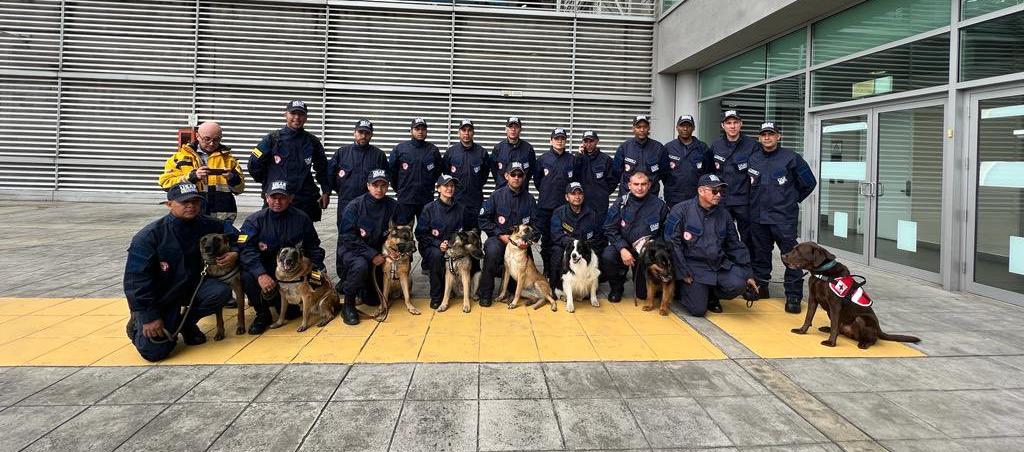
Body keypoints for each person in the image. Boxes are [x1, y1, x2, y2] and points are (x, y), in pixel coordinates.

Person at [124, 182, 238, 361]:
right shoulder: (149, 236)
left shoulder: (207, 224)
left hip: (193, 287)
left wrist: (235, 252)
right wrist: (148, 316)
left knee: (221, 292)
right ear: (169, 204)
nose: (191, 206)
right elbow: (136, 281)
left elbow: (240, 236)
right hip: (162, 296)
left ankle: (186, 323)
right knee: (154, 353)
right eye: (184, 202)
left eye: (195, 201)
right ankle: (137, 324)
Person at [238, 180, 327, 334]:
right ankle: (262, 314)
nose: (277, 202)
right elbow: (245, 249)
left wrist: (318, 270)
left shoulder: (302, 218)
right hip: (266, 268)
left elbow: (313, 246)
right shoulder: (254, 220)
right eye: (274, 197)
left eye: (282, 197)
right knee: (247, 275)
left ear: (291, 198)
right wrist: (260, 274)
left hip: (294, 271)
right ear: (266, 197)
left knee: (293, 313)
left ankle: (278, 304)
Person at [747, 122, 817, 313]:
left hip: (783, 218)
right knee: (760, 255)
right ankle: (761, 288)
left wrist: (792, 200)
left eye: (771, 134)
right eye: (764, 135)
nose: (767, 138)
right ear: (759, 138)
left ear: (779, 136)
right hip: (758, 217)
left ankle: (793, 296)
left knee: (792, 257)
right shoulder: (753, 159)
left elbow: (809, 183)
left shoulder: (792, 158)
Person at [665, 174, 759, 317]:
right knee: (698, 311)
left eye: (721, 191)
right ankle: (685, 290)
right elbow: (673, 244)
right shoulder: (681, 210)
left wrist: (748, 273)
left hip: (718, 265)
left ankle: (710, 294)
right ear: (701, 191)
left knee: (739, 284)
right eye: (715, 191)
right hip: (694, 268)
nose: (719, 195)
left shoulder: (724, 215)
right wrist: (682, 273)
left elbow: (735, 245)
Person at [249, 100, 331, 222]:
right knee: (272, 235)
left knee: (303, 238)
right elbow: (254, 164)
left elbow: (323, 169)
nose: (297, 117)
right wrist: (269, 181)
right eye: (293, 113)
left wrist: (326, 191)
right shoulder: (272, 139)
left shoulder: (312, 142)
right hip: (277, 198)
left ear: (306, 117)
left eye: (301, 114)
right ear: (285, 115)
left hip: (303, 200)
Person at [337, 169, 399, 325]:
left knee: (372, 300)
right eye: (375, 185)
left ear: (387, 187)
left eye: (383, 185)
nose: (379, 189)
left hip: (379, 254)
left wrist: (393, 251)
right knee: (361, 266)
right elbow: (347, 236)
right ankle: (348, 305)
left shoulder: (393, 206)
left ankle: (363, 289)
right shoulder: (355, 206)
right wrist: (371, 255)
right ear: (368, 186)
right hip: (353, 251)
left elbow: (397, 233)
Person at [601, 171, 669, 302]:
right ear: (629, 185)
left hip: (646, 251)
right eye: (636, 184)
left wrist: (652, 246)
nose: (640, 188)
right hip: (624, 246)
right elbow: (609, 228)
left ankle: (647, 284)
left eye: (643, 184)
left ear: (649, 185)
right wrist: (622, 249)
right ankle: (617, 287)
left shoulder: (659, 206)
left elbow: (665, 233)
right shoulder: (621, 203)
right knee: (608, 256)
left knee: (642, 295)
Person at [158, 121, 245, 223]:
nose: (212, 143)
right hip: (190, 217)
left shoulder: (230, 160)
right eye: (207, 139)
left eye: (216, 140)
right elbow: (166, 184)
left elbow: (240, 189)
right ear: (197, 136)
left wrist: (232, 178)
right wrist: (192, 177)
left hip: (221, 219)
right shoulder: (179, 158)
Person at [476, 162, 536, 307]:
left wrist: (528, 242)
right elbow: (483, 219)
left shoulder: (529, 199)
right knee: (492, 251)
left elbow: (536, 226)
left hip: (521, 243)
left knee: (527, 266)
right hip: (500, 238)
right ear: (506, 176)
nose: (516, 178)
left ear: (523, 178)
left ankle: (510, 291)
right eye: (513, 175)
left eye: (520, 175)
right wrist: (500, 234)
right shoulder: (496, 196)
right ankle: (485, 294)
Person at [708, 109, 758, 253]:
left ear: (741, 124)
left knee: (748, 237)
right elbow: (710, 172)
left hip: (744, 201)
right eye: (728, 123)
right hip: (722, 200)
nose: (732, 126)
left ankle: (748, 269)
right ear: (723, 126)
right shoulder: (716, 145)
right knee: (721, 235)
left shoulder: (752, 145)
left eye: (735, 122)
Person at [416, 175, 466, 310]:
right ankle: (436, 297)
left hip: (454, 246)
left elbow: (467, 231)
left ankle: (462, 291)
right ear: (438, 188)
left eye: (452, 186)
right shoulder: (429, 208)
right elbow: (420, 234)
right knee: (437, 256)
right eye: (446, 186)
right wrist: (438, 243)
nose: (449, 188)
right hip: (432, 246)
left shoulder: (461, 209)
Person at [327, 118, 388, 228]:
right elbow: (330, 175)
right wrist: (333, 191)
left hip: (369, 204)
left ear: (371, 135)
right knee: (345, 233)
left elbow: (386, 178)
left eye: (367, 133)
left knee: (368, 234)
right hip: (346, 202)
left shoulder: (379, 155)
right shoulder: (342, 152)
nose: (363, 136)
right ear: (354, 132)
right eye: (360, 132)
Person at [534, 127, 575, 285]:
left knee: (564, 241)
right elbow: (538, 180)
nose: (559, 141)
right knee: (547, 242)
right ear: (551, 141)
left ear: (565, 141)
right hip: (546, 207)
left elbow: (575, 182)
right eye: (556, 138)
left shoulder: (572, 160)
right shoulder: (543, 159)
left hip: (565, 208)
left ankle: (563, 271)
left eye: (562, 138)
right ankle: (547, 271)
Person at [549, 182, 606, 291]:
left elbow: (599, 237)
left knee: (599, 254)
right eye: (573, 194)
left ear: (583, 196)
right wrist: (572, 244)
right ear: (567, 197)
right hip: (567, 247)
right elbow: (556, 235)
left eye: (579, 193)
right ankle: (554, 286)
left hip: (585, 249)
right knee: (556, 251)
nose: (577, 197)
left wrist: (587, 247)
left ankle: (589, 287)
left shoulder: (592, 214)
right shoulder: (559, 213)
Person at [389, 117, 443, 225]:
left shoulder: (433, 150)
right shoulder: (400, 149)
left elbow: (437, 172)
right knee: (403, 233)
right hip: (405, 199)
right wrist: (399, 189)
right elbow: (392, 173)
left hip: (426, 200)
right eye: (417, 129)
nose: (420, 132)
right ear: (411, 130)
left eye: (423, 129)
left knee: (426, 232)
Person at [442, 119, 492, 229]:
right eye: (463, 130)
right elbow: (446, 175)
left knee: (474, 233)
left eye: (469, 130)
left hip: (475, 200)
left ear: (473, 132)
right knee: (454, 232)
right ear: (459, 132)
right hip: (455, 199)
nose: (466, 133)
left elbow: (484, 175)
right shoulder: (451, 152)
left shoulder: (482, 152)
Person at [612, 115, 668, 197]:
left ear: (648, 128)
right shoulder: (624, 147)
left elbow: (665, 173)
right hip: (628, 196)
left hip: (651, 196)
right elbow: (616, 173)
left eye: (645, 127)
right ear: (633, 128)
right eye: (638, 127)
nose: (642, 130)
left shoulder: (658, 148)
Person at [572, 129, 618, 224]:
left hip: (600, 203)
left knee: (600, 231)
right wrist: (578, 157)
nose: (588, 144)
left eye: (591, 141)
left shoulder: (606, 159)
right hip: (582, 202)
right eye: (586, 141)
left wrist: (603, 193)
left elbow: (613, 180)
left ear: (597, 141)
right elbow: (572, 178)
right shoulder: (577, 158)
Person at [663, 115, 710, 207]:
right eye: (682, 125)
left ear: (693, 128)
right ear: (677, 128)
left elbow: (708, 171)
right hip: (674, 197)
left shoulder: (703, 148)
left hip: (697, 197)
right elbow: (663, 173)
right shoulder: (668, 148)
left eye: (688, 126)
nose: (685, 129)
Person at [491, 116, 536, 189]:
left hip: (522, 193)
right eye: (510, 127)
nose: (513, 129)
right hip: (502, 192)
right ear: (506, 129)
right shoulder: (498, 148)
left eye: (516, 127)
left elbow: (531, 170)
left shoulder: (528, 149)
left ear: (520, 130)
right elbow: (494, 169)